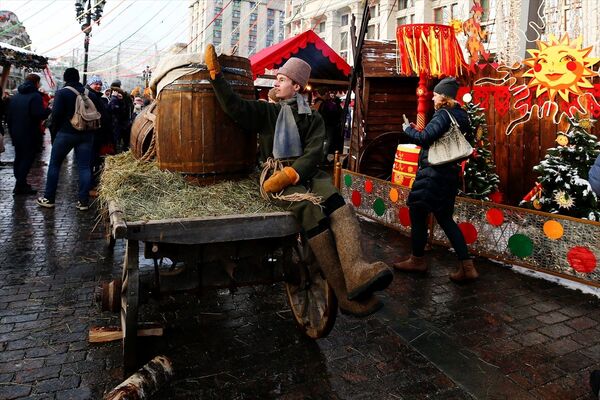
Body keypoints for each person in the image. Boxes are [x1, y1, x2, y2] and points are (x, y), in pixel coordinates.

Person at [205, 44, 392, 317]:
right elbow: (234, 107)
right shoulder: (267, 112)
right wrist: (216, 76)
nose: (276, 83)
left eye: (282, 79)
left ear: (296, 86)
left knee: (339, 204)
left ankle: (356, 272)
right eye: (278, 79)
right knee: (310, 211)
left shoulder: (311, 116)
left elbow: (315, 152)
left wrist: (293, 174)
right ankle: (343, 295)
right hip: (274, 175)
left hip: (304, 173)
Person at [393, 77, 478, 281]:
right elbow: (439, 138)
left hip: (433, 175)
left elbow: (423, 139)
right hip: (449, 174)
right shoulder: (461, 115)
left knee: (418, 213)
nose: (433, 98)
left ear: (444, 97)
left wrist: (408, 130)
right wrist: (420, 129)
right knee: (446, 219)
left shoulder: (443, 114)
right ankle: (467, 267)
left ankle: (417, 260)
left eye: (436, 94)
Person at [37, 68, 101, 210]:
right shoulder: (90, 93)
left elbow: (56, 116)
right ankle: (83, 201)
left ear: (65, 78)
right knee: (84, 167)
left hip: (66, 133)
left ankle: (49, 198)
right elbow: (99, 112)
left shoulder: (62, 93)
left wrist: (55, 131)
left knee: (55, 164)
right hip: (86, 134)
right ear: (78, 78)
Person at [7, 73, 51, 195]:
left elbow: (8, 116)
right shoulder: (35, 96)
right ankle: (20, 185)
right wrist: (48, 110)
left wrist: (11, 131)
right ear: (36, 83)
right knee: (27, 158)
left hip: (16, 132)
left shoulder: (16, 96)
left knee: (19, 157)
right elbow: (38, 114)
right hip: (29, 133)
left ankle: (21, 183)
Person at [86, 75, 112, 195]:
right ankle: (89, 188)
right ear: (90, 84)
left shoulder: (96, 96)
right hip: (92, 134)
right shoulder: (90, 96)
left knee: (93, 161)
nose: (98, 86)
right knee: (89, 162)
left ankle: (90, 185)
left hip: (96, 134)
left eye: (100, 84)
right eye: (96, 84)